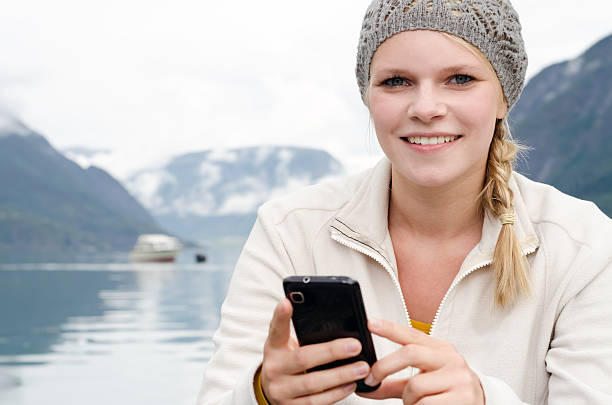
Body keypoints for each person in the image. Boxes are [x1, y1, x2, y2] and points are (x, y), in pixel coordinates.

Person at [197, 0, 612, 404]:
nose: (425, 108)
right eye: (396, 81)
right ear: (367, 97)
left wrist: (485, 400)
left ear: (504, 97)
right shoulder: (289, 231)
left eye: (460, 78)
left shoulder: (586, 247)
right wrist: (263, 394)